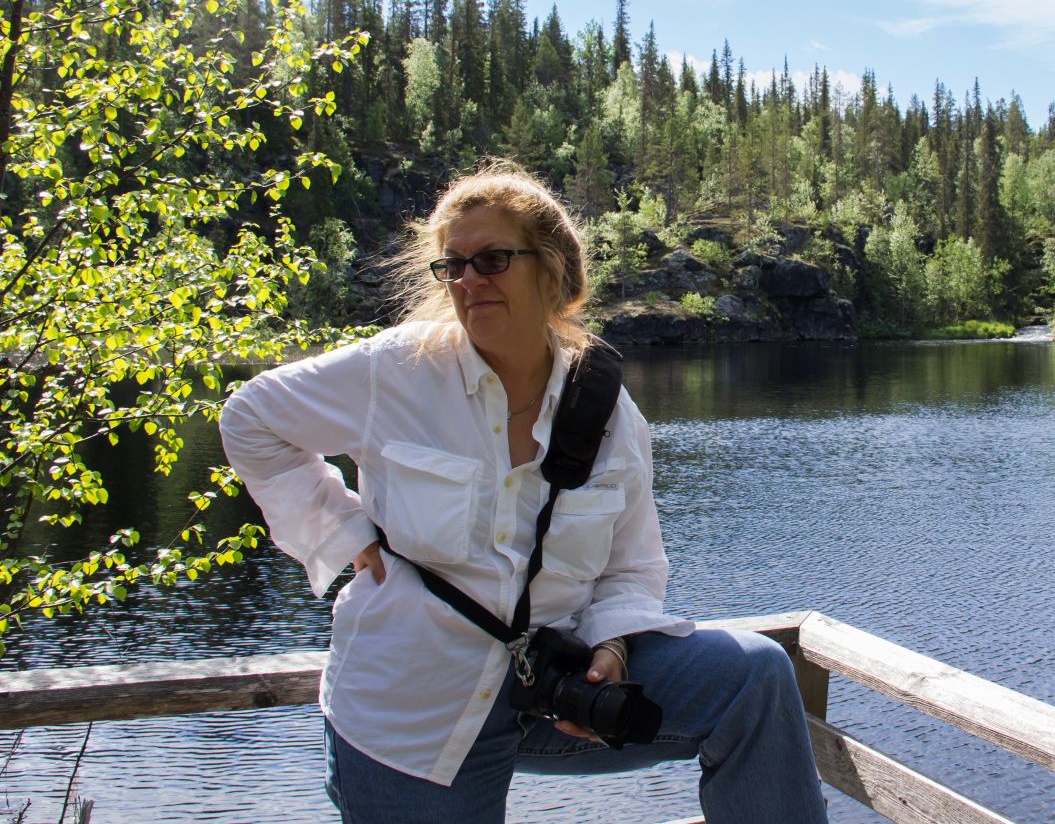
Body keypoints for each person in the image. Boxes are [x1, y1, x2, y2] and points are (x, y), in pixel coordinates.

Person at [219, 166, 829, 824]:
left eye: (493, 259)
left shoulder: (610, 415)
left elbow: (631, 567)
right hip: (410, 718)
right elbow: (249, 419)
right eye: (452, 266)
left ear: (553, 271)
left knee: (755, 678)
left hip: (549, 693)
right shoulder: (396, 370)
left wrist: (614, 646)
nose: (468, 280)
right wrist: (342, 531)